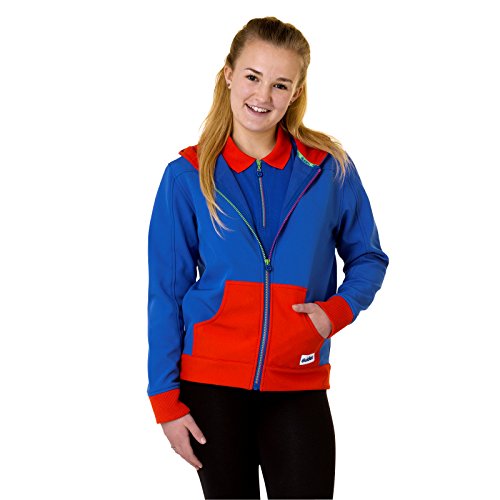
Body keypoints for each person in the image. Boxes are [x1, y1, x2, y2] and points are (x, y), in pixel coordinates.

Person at [146, 16, 389, 500]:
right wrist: (164, 401)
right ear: (228, 76)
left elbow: (368, 256)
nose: (263, 95)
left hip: (297, 378)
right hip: (210, 383)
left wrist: (335, 313)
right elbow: (166, 293)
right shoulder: (187, 175)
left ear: (296, 92)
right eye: (253, 77)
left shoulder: (328, 169)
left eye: (280, 84)